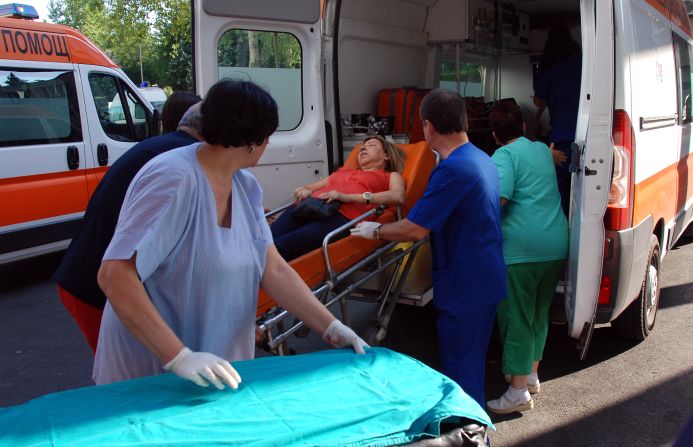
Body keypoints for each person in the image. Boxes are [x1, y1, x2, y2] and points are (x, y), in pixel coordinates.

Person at [94, 79, 368, 388]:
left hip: (213, 371)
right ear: (254, 139)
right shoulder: (173, 178)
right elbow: (115, 274)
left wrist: (331, 326)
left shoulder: (245, 186)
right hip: (152, 371)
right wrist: (179, 356)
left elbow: (274, 269)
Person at [350, 89, 506, 407]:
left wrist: (374, 230)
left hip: (466, 287)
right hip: (484, 279)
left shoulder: (452, 169)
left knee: (461, 374)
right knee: (471, 363)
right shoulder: (481, 159)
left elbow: (415, 229)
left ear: (428, 127)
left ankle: (471, 438)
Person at [53, 91, 203, 353]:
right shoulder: (182, 159)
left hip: (84, 271)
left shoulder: (160, 147)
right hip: (96, 284)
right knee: (124, 376)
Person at [484, 102, 568, 414]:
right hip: (555, 242)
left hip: (521, 249)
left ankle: (517, 392)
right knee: (537, 313)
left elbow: (501, 197)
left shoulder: (503, 155)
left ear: (494, 136)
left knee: (516, 316)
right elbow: (554, 157)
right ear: (523, 127)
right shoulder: (540, 150)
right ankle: (530, 375)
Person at [271, 134, 406, 261]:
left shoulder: (389, 176)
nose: (363, 148)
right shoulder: (343, 172)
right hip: (310, 206)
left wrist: (349, 197)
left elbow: (397, 196)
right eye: (362, 147)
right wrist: (304, 191)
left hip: (340, 217)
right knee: (265, 239)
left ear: (386, 156)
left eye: (371, 145)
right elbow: (308, 188)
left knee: (281, 247)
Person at [533, 24, 582, 217]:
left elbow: (539, 101)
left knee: (560, 188)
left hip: (561, 137)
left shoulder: (549, 69)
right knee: (585, 186)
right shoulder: (583, 63)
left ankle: (563, 230)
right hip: (587, 134)